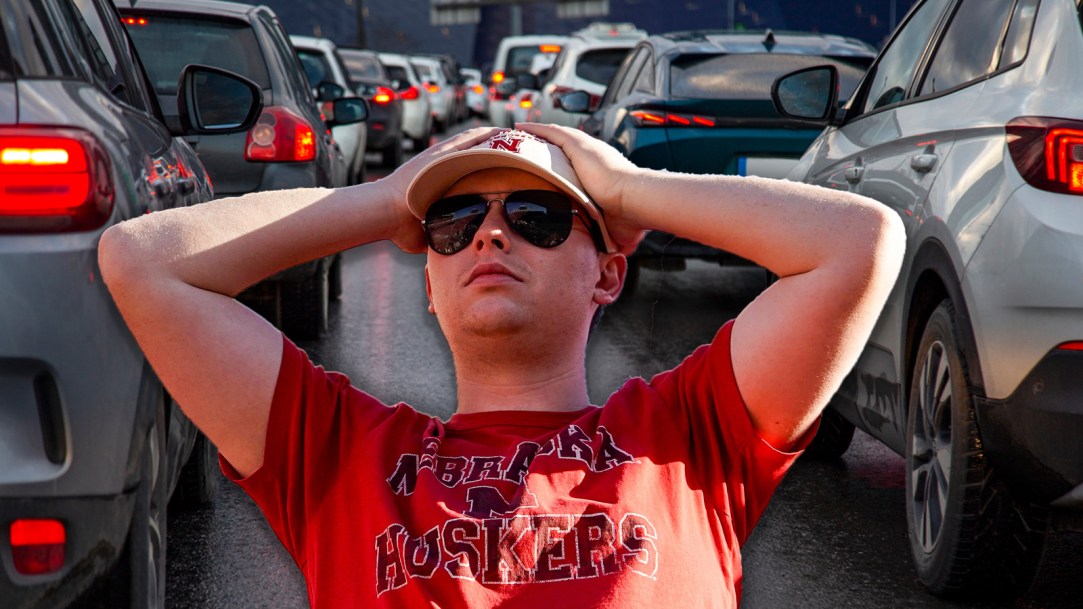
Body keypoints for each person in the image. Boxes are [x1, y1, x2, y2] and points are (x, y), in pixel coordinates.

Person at [99, 123, 904, 608]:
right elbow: (140, 261)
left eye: (537, 216)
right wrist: (386, 196)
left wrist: (626, 186)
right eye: (452, 220)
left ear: (607, 272)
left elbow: (860, 243)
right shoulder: (339, 453)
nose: (488, 236)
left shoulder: (688, 436)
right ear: (430, 274)